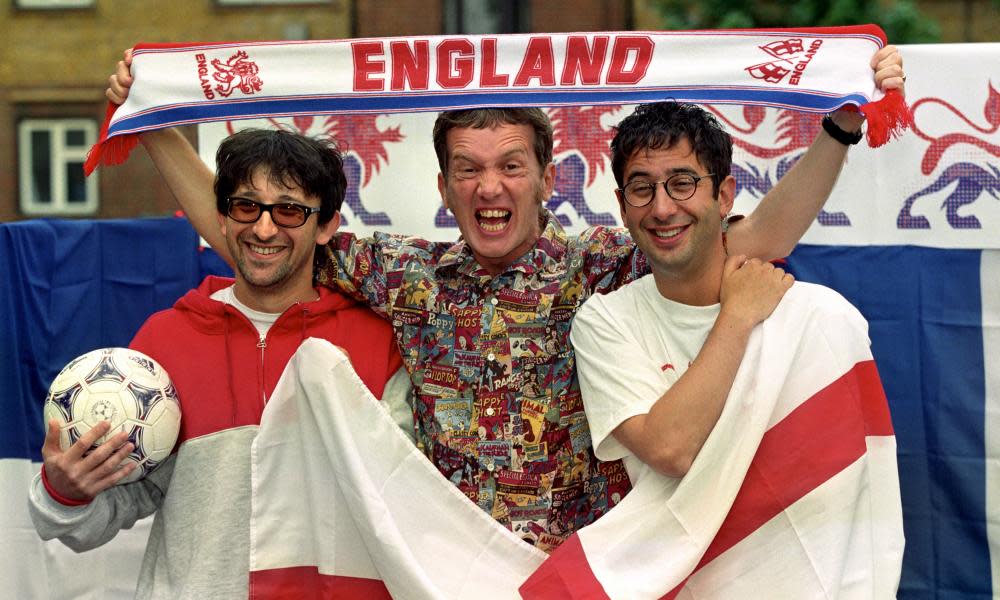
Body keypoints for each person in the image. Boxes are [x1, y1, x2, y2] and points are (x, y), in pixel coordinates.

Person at [104, 45, 905, 553]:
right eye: (469, 169)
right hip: (441, 565)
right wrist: (155, 115)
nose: (491, 186)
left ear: (548, 178)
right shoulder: (401, 274)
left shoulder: (599, 261)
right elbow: (252, 230)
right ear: (445, 187)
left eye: (511, 165)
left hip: (580, 567)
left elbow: (750, 243)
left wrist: (837, 127)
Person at [29, 129, 410, 599]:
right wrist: (66, 489)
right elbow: (111, 510)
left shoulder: (377, 343)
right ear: (223, 219)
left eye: (289, 210)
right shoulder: (165, 340)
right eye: (247, 206)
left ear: (327, 225)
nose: (264, 229)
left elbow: (406, 508)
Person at [571, 101, 794, 483]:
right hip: (665, 542)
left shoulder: (806, 312)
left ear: (724, 196)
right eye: (641, 189)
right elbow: (669, 450)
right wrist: (737, 316)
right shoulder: (602, 322)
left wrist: (842, 129)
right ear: (622, 208)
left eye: (682, 184)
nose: (661, 208)